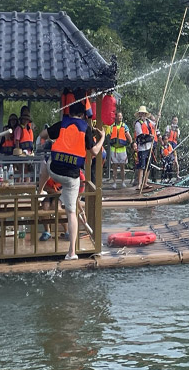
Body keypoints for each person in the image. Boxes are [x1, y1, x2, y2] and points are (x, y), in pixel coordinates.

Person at [39, 99, 104, 260]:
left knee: (45, 164)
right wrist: (102, 137)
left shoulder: (62, 124)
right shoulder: (86, 129)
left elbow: (42, 135)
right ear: (82, 115)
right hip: (72, 176)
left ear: (69, 113)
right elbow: (95, 151)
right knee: (71, 213)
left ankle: (39, 189)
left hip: (54, 170)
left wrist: (55, 136)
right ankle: (71, 253)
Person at [133, 105, 156, 189]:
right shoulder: (138, 123)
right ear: (139, 114)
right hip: (142, 148)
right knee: (141, 166)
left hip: (149, 147)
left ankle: (145, 183)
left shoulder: (148, 121)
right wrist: (150, 137)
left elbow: (155, 125)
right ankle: (139, 184)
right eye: (141, 113)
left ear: (145, 114)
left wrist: (158, 118)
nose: (142, 115)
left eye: (143, 113)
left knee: (148, 166)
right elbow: (141, 135)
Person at [106, 110, 130, 186]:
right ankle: (114, 182)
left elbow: (128, 135)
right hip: (114, 149)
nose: (120, 117)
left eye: (121, 116)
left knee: (122, 166)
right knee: (115, 166)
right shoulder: (112, 126)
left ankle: (123, 181)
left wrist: (131, 142)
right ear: (115, 117)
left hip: (122, 149)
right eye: (118, 116)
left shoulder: (124, 126)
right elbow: (109, 135)